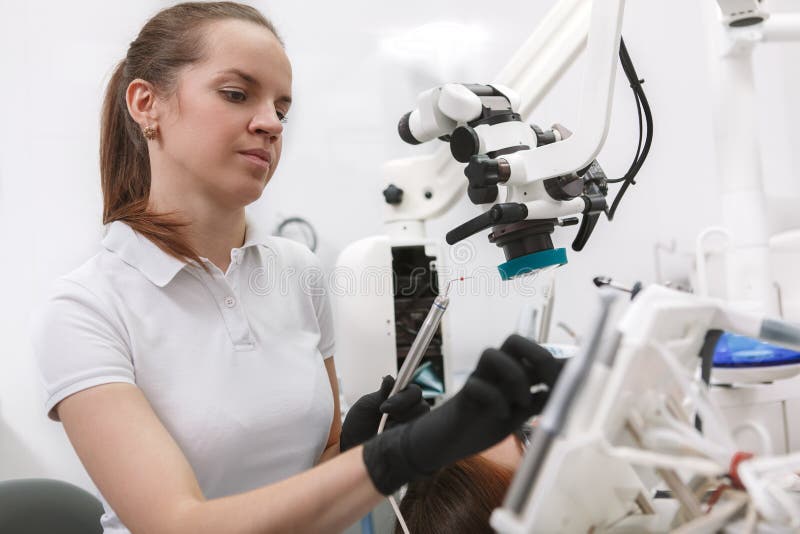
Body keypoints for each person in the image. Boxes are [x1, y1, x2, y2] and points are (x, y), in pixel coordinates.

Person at [31, 3, 564, 532]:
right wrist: (396, 456)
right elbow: (178, 524)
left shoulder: (297, 271)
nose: (269, 123)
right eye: (237, 94)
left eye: (281, 110)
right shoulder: (86, 310)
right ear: (146, 103)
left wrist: (353, 449)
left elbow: (315, 475)